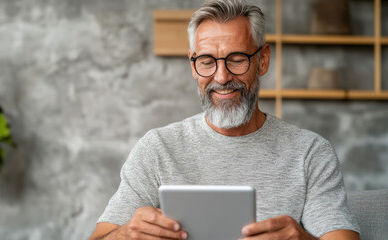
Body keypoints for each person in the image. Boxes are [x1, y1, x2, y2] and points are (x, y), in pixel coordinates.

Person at [89, 0, 360, 239]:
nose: (221, 77)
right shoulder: (157, 149)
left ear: (262, 60)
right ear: (193, 65)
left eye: (237, 59)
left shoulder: (310, 154)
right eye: (207, 61)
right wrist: (126, 235)